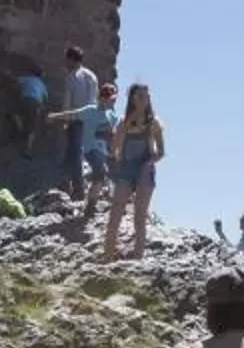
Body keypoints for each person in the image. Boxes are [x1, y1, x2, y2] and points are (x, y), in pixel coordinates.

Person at [106, 83, 165, 260]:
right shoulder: (123, 122)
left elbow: (161, 151)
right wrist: (125, 126)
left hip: (145, 169)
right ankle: (107, 256)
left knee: (140, 216)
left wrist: (150, 162)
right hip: (126, 169)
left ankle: (138, 258)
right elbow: (114, 148)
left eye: (146, 97)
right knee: (115, 213)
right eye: (140, 96)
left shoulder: (154, 123)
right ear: (132, 98)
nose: (144, 100)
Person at [48, 77, 119, 221]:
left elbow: (115, 134)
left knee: (101, 177)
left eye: (113, 99)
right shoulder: (90, 110)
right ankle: (90, 207)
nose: (113, 101)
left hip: (103, 151)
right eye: (110, 98)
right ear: (102, 98)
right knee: (100, 172)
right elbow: (71, 114)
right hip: (90, 149)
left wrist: (115, 149)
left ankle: (90, 207)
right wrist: (55, 116)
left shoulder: (112, 116)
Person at [56, 44, 100, 193]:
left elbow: (68, 103)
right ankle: (64, 182)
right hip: (91, 119)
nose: (65, 63)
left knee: (75, 153)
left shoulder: (71, 77)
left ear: (71, 59)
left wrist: (65, 120)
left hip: (76, 119)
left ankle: (78, 189)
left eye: (66, 60)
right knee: (74, 151)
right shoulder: (92, 76)